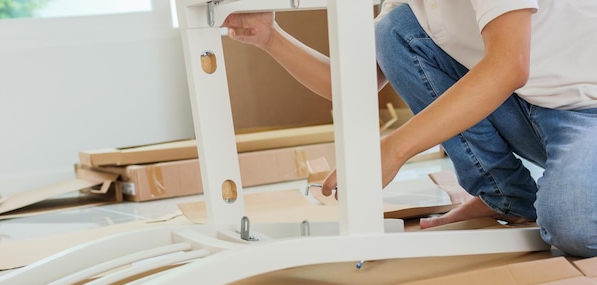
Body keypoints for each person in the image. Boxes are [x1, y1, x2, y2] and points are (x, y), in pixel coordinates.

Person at [222, 1, 597, 258]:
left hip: (585, 109)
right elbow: (356, 82)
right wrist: (271, 37)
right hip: (524, 106)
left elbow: (509, 64)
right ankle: (507, 198)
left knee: (575, 228)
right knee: (394, 31)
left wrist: (392, 150)